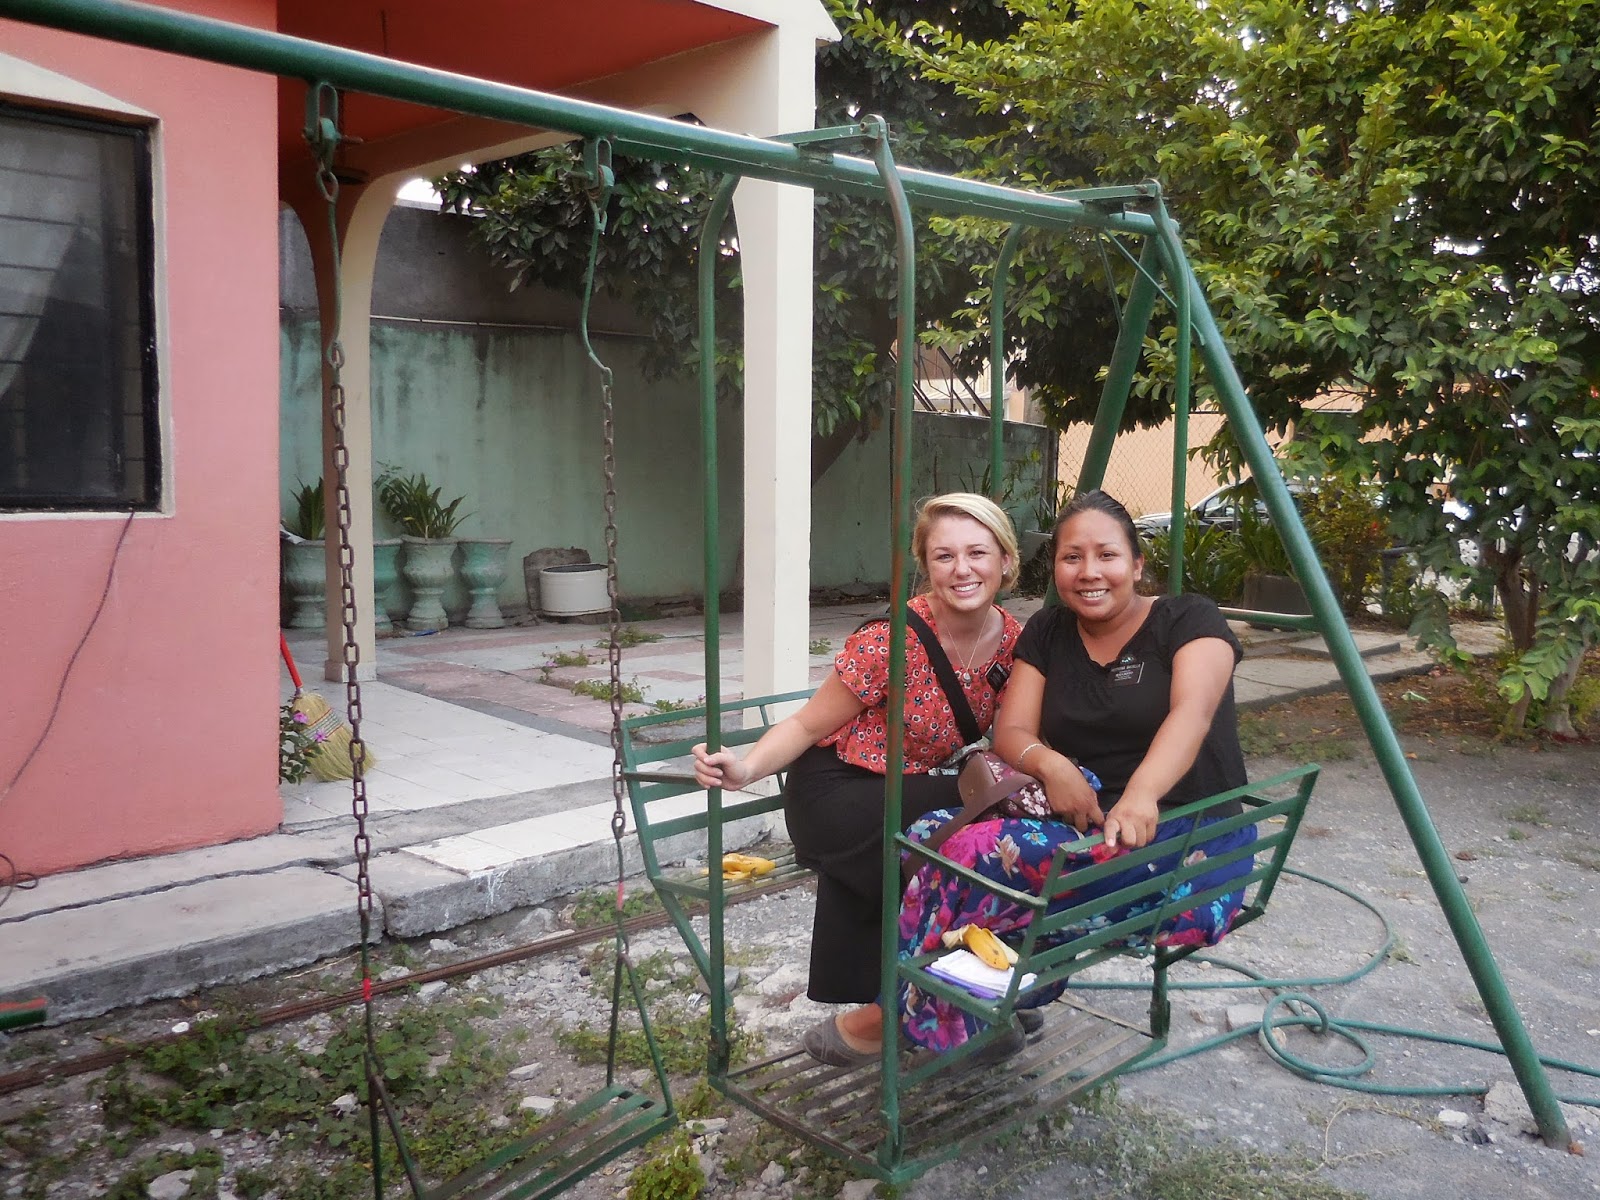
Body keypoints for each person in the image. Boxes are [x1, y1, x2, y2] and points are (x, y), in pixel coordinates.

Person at [897, 489, 1259, 1056]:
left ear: (1136, 564)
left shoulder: (1188, 620)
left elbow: (1192, 712)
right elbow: (1013, 731)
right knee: (929, 835)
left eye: (1107, 555)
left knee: (976, 854)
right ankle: (981, 1003)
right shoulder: (1049, 631)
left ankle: (914, 1017)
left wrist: (1141, 794)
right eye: (1072, 557)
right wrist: (1053, 765)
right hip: (1083, 825)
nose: (1089, 572)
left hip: (1182, 834)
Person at [692, 493, 1022, 1066]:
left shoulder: (1016, 644)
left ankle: (947, 993)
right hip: (836, 791)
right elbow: (805, 724)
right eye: (944, 556)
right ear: (926, 565)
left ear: (1005, 561)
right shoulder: (892, 641)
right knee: (971, 818)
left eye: (977, 553)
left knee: (977, 830)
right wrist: (746, 768)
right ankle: (942, 1001)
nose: (962, 569)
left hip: (903, 789)